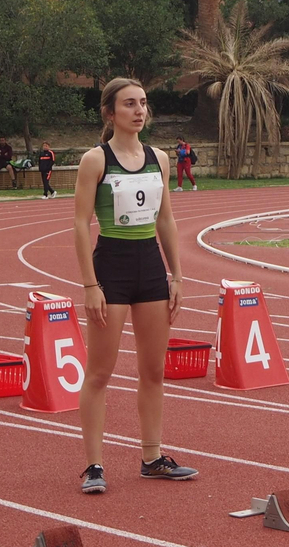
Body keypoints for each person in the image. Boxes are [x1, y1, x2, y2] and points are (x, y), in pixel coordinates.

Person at [72, 77, 196, 493]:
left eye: (143, 103)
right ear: (110, 113)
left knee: (153, 370)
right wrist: (90, 285)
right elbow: (78, 223)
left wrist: (177, 274)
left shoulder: (158, 158)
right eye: (129, 104)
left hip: (149, 265)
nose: (139, 110)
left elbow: (166, 219)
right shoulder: (95, 160)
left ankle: (152, 456)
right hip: (112, 265)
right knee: (100, 372)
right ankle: (93, 465)